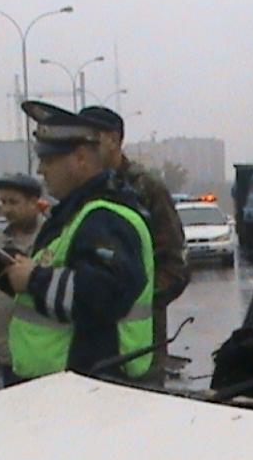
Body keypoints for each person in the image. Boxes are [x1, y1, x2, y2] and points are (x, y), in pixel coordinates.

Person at [0, 101, 153, 382]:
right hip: (67, 385)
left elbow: (103, 295)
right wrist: (9, 273)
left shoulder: (104, 218)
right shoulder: (77, 214)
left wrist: (33, 279)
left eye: (49, 160)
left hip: (88, 387)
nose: (41, 170)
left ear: (80, 158)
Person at [76, 106, 188, 384]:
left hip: (139, 343)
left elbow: (175, 265)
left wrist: (133, 299)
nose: (82, 148)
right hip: (88, 342)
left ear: (114, 140)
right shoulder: (80, 190)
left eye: (92, 140)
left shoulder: (146, 188)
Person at [0, 173, 46, 387]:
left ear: (34, 203)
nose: (7, 209)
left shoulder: (50, 238)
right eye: (3, 202)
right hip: (8, 354)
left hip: (43, 355)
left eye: (13, 202)